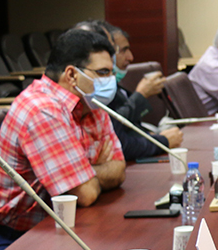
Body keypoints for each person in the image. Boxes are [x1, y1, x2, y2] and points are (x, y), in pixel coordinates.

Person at [0, 29, 126, 250]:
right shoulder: (42, 110)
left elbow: (119, 168)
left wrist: (83, 173)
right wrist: (88, 176)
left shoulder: (91, 104)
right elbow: (85, 194)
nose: (111, 80)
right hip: (14, 241)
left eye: (111, 72)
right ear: (72, 75)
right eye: (103, 72)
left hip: (63, 228)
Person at [73, 20, 183, 160]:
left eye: (113, 50)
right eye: (118, 50)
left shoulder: (106, 84)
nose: (111, 57)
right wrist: (162, 142)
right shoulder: (84, 95)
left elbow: (116, 143)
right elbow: (121, 145)